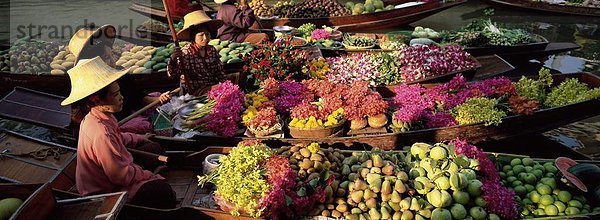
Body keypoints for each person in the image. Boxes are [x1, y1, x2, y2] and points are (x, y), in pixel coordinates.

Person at [60, 57, 176, 209]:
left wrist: (139, 138)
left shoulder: (100, 116)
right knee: (163, 192)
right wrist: (149, 175)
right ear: (96, 100)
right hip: (104, 191)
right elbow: (119, 175)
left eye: (119, 92)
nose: (121, 97)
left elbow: (119, 137)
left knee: (153, 147)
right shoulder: (101, 133)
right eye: (115, 95)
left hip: (115, 174)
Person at [69, 24, 171, 134]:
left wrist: (158, 100)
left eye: (111, 55)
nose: (113, 61)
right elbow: (81, 119)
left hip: (129, 112)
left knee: (156, 95)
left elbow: (138, 97)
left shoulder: (119, 72)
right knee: (143, 125)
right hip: (111, 125)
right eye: (107, 58)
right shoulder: (84, 85)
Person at [168, 10, 227, 96]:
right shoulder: (186, 52)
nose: (205, 38)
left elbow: (219, 71)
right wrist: (173, 59)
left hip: (211, 87)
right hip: (193, 91)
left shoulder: (212, 50)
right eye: (201, 35)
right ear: (193, 37)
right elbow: (173, 74)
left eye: (207, 34)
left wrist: (226, 85)